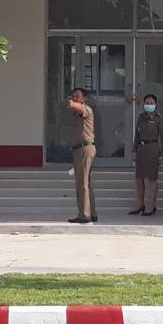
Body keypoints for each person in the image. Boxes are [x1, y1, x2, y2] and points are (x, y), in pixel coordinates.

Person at [65, 87, 98, 224]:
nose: (75, 98)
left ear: (84, 98)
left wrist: (72, 103)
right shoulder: (77, 114)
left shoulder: (86, 109)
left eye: (77, 96)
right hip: (80, 149)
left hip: (84, 148)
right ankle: (92, 213)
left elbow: (78, 107)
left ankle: (84, 215)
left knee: (82, 183)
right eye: (73, 96)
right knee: (86, 183)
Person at [130, 93, 163, 216]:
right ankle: (140, 205)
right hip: (141, 149)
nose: (149, 105)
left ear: (155, 104)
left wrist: (161, 154)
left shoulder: (158, 118)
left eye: (151, 103)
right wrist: (134, 150)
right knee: (139, 179)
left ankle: (150, 206)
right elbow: (137, 136)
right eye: (147, 103)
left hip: (153, 149)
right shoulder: (141, 117)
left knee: (152, 179)